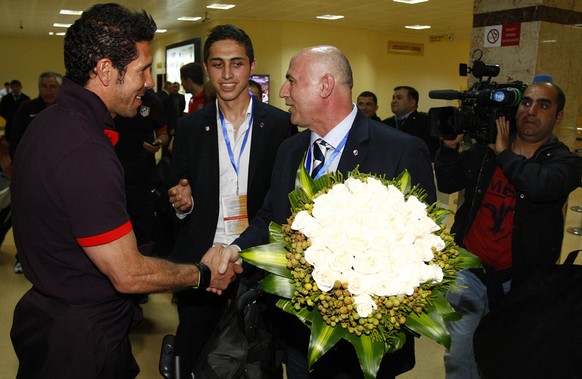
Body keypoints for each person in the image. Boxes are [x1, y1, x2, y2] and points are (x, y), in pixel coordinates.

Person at [9, 4, 241, 378]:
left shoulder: (54, 123)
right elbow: (128, 274)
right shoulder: (83, 148)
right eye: (142, 70)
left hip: (52, 321)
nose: (150, 82)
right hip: (81, 341)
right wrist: (200, 274)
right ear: (104, 71)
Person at [222, 45, 436, 379]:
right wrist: (234, 250)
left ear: (325, 86)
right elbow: (270, 217)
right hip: (296, 336)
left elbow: (424, 249)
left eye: (292, 81)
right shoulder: (290, 149)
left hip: (361, 345)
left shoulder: (398, 151)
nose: (282, 91)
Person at [168, 24, 296, 379]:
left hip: (257, 261)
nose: (227, 75)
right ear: (206, 68)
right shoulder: (190, 127)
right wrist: (183, 204)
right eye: (217, 64)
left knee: (258, 358)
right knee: (197, 355)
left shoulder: (282, 125)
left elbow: (284, 201)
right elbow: (175, 193)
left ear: (251, 65)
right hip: (202, 259)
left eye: (237, 64)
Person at [434, 81, 582, 379]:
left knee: (507, 352)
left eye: (544, 105)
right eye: (526, 103)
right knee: (460, 351)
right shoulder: (485, 152)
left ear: (559, 116)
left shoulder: (564, 161)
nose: (532, 111)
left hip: (523, 279)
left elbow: (539, 186)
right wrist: (447, 149)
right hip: (469, 269)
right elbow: (449, 182)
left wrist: (504, 153)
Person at [6, 71, 62, 274]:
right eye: (45, 86)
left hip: (58, 177)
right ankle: (23, 259)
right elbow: (15, 141)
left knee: (54, 221)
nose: (48, 91)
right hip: (31, 176)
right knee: (27, 220)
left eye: (53, 86)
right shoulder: (27, 108)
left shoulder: (66, 110)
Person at [114, 88, 169, 257]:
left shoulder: (153, 101)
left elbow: (164, 134)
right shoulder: (116, 96)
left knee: (144, 224)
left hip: (143, 174)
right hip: (115, 172)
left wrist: (158, 142)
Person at [383, 86, 439, 161]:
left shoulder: (426, 122)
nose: (394, 101)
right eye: (393, 98)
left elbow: (430, 151)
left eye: (399, 98)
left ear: (412, 103)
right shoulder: (385, 124)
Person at [0, 80, 30, 144]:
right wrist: (9, 117)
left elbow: (28, 111)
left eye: (17, 86)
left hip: (22, 124)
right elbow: (2, 110)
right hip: (10, 124)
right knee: (10, 142)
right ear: (11, 87)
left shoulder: (26, 98)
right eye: (13, 86)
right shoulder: (5, 98)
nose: (15, 88)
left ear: (21, 87)